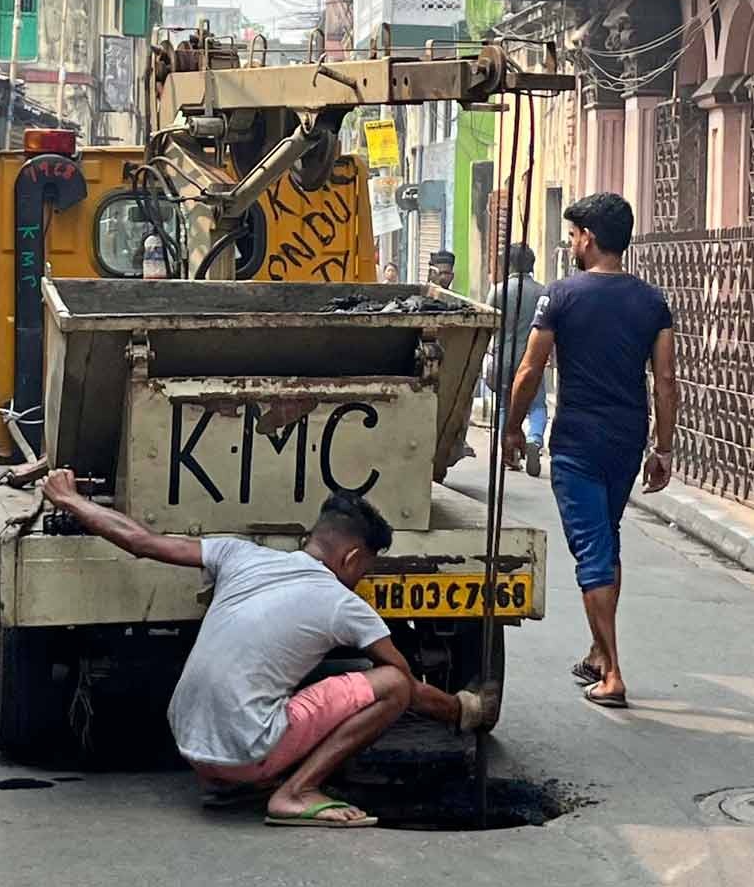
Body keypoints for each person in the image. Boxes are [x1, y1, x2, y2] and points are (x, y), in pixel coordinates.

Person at [43, 472, 498, 828]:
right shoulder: (344, 603)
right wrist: (463, 710)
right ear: (352, 559)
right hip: (244, 753)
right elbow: (408, 690)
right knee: (391, 685)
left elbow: (140, 541)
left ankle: (234, 781)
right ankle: (296, 792)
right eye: (366, 569)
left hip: (188, 741)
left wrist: (69, 499)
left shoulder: (238, 554)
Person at [503, 193, 677, 710]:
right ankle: (598, 654)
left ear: (591, 239)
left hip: (578, 439)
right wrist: (663, 447)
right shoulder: (652, 301)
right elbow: (664, 380)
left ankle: (614, 673)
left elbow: (531, 369)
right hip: (627, 438)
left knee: (592, 549)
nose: (572, 243)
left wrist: (513, 428)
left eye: (575, 234)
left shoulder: (561, 296)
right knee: (607, 538)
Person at [486, 243, 548, 477]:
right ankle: (534, 439)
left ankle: (509, 454)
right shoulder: (543, 292)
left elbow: (489, 325)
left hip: (504, 355)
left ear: (508, 264)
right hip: (533, 358)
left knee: (504, 405)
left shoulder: (498, 291)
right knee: (537, 404)